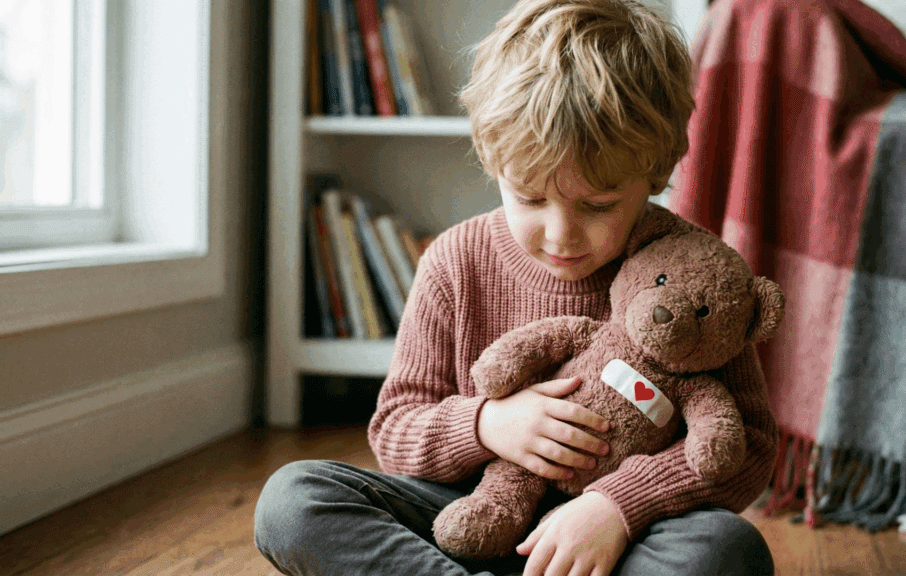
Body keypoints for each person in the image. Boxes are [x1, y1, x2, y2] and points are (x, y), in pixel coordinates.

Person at [254, 1, 777, 574]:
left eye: (598, 205)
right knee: (293, 501)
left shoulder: (691, 272)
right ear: (492, 160)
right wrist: (486, 425)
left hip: (617, 542)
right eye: (530, 197)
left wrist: (618, 505)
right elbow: (396, 429)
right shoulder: (454, 261)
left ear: (654, 171)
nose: (561, 234)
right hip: (467, 517)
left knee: (727, 551)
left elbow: (747, 447)